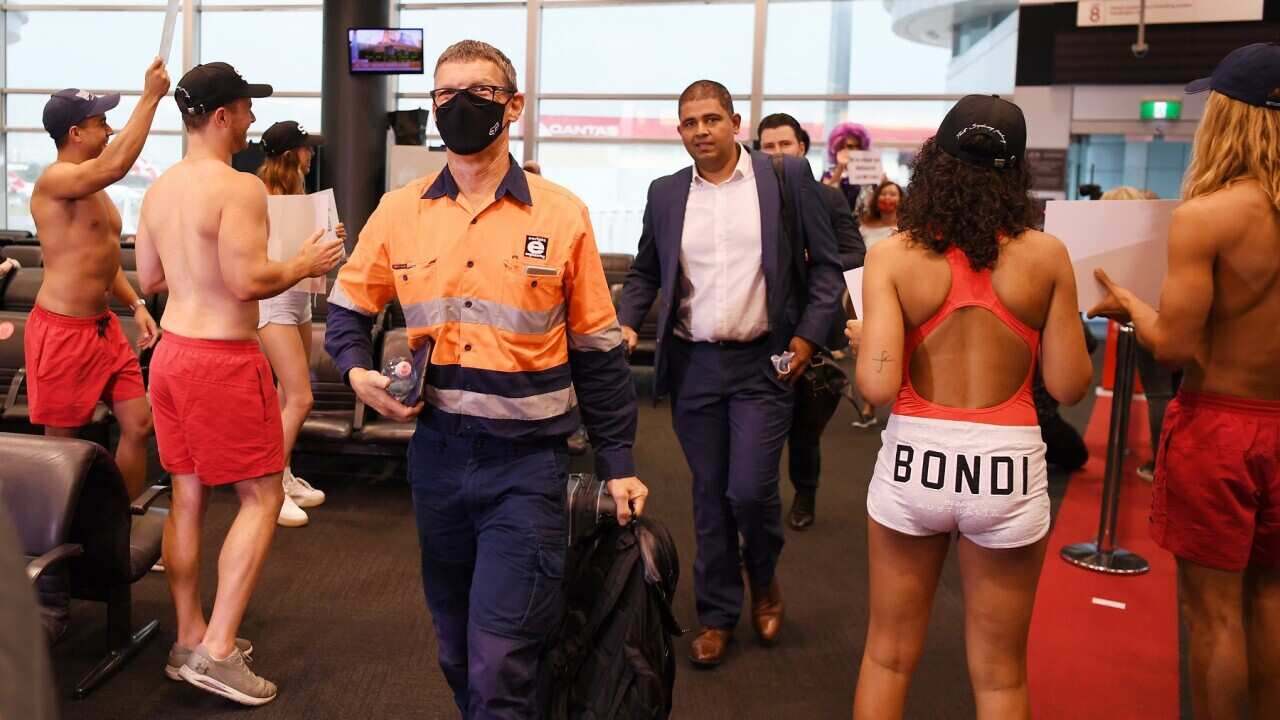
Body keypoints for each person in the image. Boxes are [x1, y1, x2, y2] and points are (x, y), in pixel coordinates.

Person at [324, 40, 648, 717]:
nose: (457, 106)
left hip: (526, 467)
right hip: (437, 459)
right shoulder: (400, 211)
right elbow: (349, 309)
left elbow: (598, 351)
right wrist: (357, 373)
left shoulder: (561, 216)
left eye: (477, 92)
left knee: (503, 659)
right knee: (454, 651)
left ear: (515, 106)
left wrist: (618, 463)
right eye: (444, 95)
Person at [848, 95, 1092, 719]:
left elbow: (875, 388)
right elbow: (1068, 387)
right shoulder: (1045, 256)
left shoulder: (894, 256)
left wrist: (879, 335)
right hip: (1006, 466)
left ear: (934, 161)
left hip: (913, 462)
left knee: (887, 656)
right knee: (1001, 677)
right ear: (1016, 173)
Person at [135, 61, 343, 705]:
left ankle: (188, 637)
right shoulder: (239, 188)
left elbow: (149, 279)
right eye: (246, 108)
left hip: (171, 355)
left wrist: (197, 274)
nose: (252, 119)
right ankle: (219, 651)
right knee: (258, 499)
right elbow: (251, 281)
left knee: (187, 494)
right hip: (221, 359)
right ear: (221, 116)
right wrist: (304, 261)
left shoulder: (159, 188)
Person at [618, 82, 842, 667]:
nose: (701, 131)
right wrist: (623, 322)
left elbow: (827, 271)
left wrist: (806, 338)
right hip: (694, 365)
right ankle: (717, 612)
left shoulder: (785, 179)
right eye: (689, 122)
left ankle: (763, 577)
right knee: (709, 495)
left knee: (750, 489)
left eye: (712, 119)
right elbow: (645, 272)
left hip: (763, 364)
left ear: (736, 122)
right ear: (678, 130)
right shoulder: (666, 194)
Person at [1089, 43, 1280, 719]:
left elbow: (1171, 344)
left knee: (1215, 617)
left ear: (1230, 117)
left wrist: (1128, 301)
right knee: (1271, 600)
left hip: (1220, 427)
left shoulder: (1207, 217)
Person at [25, 59, 169, 500]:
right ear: (75, 133)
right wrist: (150, 98)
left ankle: (117, 531)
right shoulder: (57, 180)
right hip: (62, 331)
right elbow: (115, 165)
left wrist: (137, 305)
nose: (108, 130)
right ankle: (53, 545)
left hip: (103, 328)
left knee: (139, 424)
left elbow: (102, 260)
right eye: (101, 122)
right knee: (62, 449)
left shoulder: (94, 190)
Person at [756, 112, 867, 530]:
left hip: (810, 326)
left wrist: (812, 261)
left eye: (785, 145)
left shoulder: (827, 197)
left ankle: (806, 494)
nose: (777, 153)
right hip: (761, 329)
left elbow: (854, 251)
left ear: (802, 148)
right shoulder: (748, 195)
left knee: (804, 426)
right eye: (768, 147)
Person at [255, 120, 345, 527]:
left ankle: (285, 476)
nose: (312, 155)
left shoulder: (301, 197)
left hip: (299, 299)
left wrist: (331, 236)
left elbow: (309, 255)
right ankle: (269, 489)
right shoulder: (259, 197)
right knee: (301, 397)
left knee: (285, 395)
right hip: (272, 304)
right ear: (292, 154)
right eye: (307, 149)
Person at [1098, 186, 1178, 481]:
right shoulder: (1160, 240)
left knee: (1159, 394)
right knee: (1171, 393)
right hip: (1170, 314)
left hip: (1146, 318)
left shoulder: (1114, 245)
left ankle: (1161, 464)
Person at [822, 121, 873, 213]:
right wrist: (840, 167)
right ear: (839, 147)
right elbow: (824, 195)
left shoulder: (869, 172)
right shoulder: (830, 173)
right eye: (850, 146)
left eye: (858, 146)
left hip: (863, 222)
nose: (855, 150)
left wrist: (883, 181)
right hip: (836, 221)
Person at [859, 180, 903, 250]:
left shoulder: (905, 229)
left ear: (901, 200)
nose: (887, 198)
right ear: (876, 199)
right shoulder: (864, 227)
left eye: (893, 194)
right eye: (883, 194)